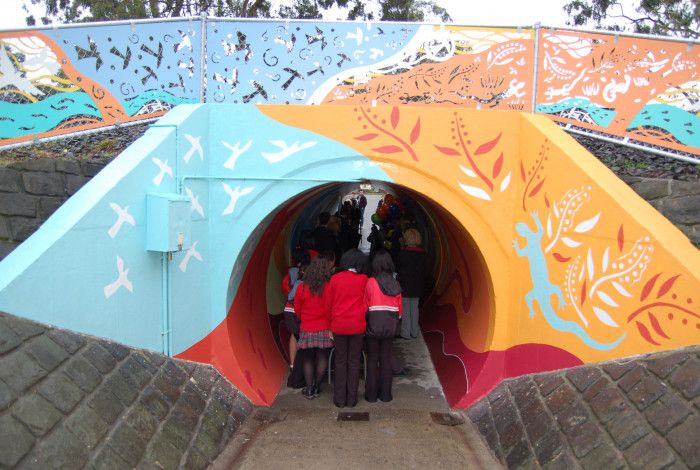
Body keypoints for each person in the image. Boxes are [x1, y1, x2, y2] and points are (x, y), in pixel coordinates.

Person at [327, 249, 369, 408]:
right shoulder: (364, 279)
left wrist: (329, 325)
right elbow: (366, 302)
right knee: (353, 362)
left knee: (340, 361)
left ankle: (339, 399)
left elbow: (328, 305)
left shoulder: (335, 279)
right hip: (357, 325)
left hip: (338, 325)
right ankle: (352, 400)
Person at [364, 250, 402, 403]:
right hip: (390, 326)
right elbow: (400, 309)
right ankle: (386, 395)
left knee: (372, 359)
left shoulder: (370, 282)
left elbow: (365, 305)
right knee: (386, 359)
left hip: (373, 325)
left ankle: (371, 396)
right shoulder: (395, 283)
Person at [294, 256, 334, 399]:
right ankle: (317, 386)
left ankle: (309, 389)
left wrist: (304, 319)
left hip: (307, 327)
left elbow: (297, 309)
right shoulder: (329, 287)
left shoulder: (301, 287)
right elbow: (330, 308)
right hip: (324, 327)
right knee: (323, 357)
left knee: (308, 359)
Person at [396, 228, 427, 339]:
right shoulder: (423, 254)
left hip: (405, 284)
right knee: (415, 309)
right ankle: (414, 331)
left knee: (405, 309)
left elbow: (398, 267)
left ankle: (406, 332)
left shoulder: (403, 253)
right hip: (417, 285)